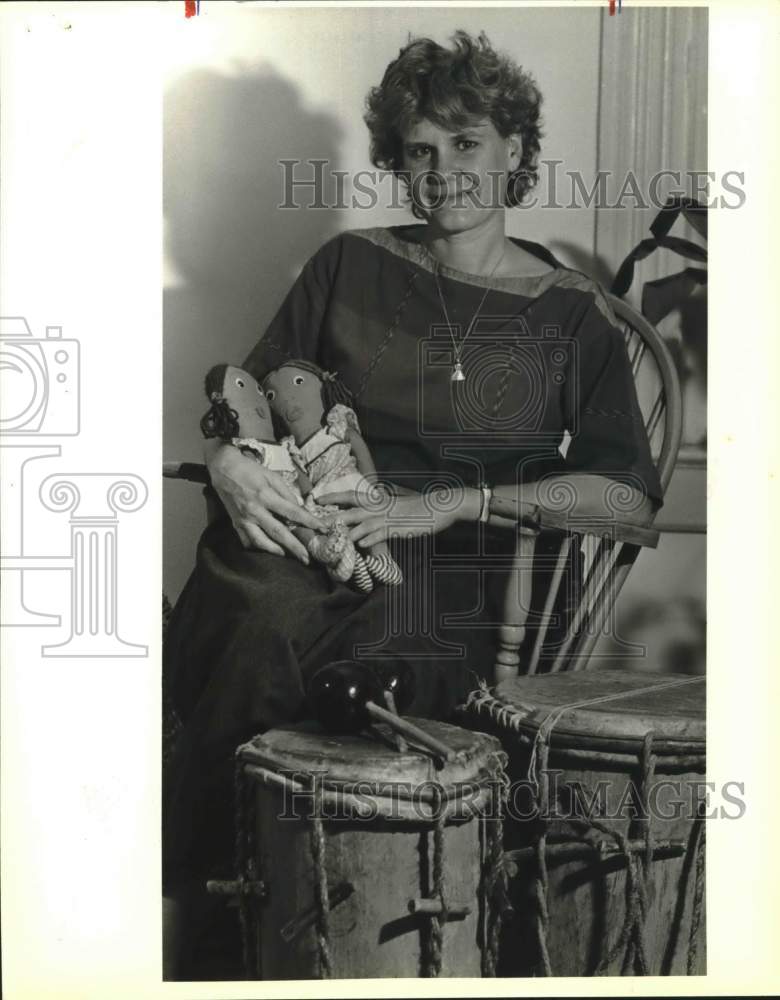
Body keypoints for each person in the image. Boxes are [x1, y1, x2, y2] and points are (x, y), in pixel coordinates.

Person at [162, 29, 662, 977]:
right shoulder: (346, 266)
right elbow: (253, 400)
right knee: (260, 602)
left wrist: (456, 503)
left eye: (466, 143)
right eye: (419, 151)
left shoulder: (570, 314)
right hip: (308, 531)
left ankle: (214, 909)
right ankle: (214, 903)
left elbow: (624, 497)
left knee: (346, 644)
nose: (442, 173)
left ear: (514, 149)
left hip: (454, 565)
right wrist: (224, 459)